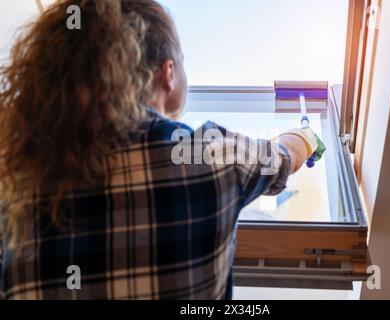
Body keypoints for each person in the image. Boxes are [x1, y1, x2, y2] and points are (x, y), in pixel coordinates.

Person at [0, 0, 325, 300]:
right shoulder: (213, 158)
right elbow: (285, 155)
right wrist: (307, 134)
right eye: (181, 62)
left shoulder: (17, 186)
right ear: (167, 73)